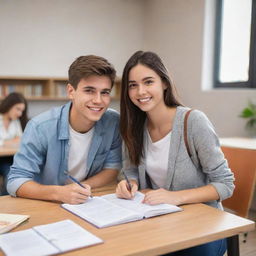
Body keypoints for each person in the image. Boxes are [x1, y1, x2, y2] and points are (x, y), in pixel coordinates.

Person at [116, 51, 234, 256]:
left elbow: (225, 184)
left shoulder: (193, 121)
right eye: (132, 85)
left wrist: (175, 197)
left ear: (164, 83)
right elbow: (131, 169)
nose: (140, 91)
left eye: (148, 82)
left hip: (203, 229)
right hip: (161, 224)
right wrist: (130, 183)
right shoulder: (134, 126)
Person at [7, 55, 122, 204]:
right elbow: (16, 181)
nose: (98, 100)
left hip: (86, 202)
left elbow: (112, 168)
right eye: (89, 90)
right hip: (45, 204)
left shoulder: (112, 122)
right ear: (70, 91)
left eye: (105, 92)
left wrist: (83, 187)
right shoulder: (40, 127)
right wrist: (59, 193)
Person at [0, 92, 28, 195]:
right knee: (10, 173)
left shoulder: (15, 122)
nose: (20, 114)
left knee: (13, 174)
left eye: (22, 110)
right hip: (2, 159)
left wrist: (5, 142)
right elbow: (15, 140)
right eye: (18, 109)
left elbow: (21, 139)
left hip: (11, 159)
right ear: (9, 105)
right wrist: (9, 141)